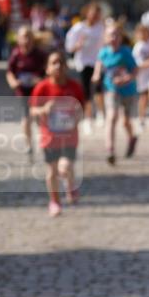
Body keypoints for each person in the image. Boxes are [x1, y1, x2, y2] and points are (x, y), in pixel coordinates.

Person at [30, 50, 85, 217]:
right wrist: (43, 109)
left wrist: (77, 113)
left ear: (66, 67)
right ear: (47, 68)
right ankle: (54, 202)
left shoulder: (74, 86)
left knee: (65, 167)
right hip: (49, 137)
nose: (58, 66)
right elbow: (32, 110)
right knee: (52, 171)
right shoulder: (42, 87)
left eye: (61, 62)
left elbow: (82, 109)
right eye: (54, 63)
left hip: (69, 136)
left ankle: (70, 185)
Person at [92, 22, 138, 166]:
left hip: (128, 90)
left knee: (125, 121)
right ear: (105, 38)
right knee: (111, 117)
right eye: (110, 35)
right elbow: (99, 64)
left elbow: (135, 70)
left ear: (121, 37)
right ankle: (110, 151)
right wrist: (96, 75)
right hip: (111, 89)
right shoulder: (103, 52)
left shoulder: (125, 52)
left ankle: (132, 137)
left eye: (116, 35)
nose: (113, 38)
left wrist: (127, 78)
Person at [6, 25, 48, 157]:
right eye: (23, 37)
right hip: (22, 91)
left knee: (41, 117)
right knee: (26, 118)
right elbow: (9, 71)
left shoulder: (40, 54)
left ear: (33, 39)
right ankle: (29, 145)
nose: (26, 40)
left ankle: (45, 142)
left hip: (38, 91)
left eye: (28, 37)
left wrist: (40, 80)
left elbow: (48, 72)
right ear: (18, 39)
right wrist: (13, 82)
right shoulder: (16, 54)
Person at [64, 1, 105, 131]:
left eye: (97, 15)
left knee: (99, 89)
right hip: (83, 63)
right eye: (93, 14)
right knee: (86, 91)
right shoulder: (78, 28)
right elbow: (69, 47)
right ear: (87, 13)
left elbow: (105, 44)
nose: (95, 17)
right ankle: (88, 118)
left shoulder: (101, 27)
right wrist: (78, 45)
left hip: (98, 62)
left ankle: (101, 114)